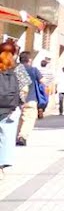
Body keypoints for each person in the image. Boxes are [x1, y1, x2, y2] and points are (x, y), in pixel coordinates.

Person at [0, 42, 29, 172]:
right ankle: (2, 165)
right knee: (7, 136)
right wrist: (20, 103)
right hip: (11, 109)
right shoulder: (18, 68)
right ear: (15, 54)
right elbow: (25, 89)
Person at [16, 52, 46, 146]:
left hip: (17, 99)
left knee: (20, 118)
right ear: (29, 60)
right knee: (29, 119)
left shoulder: (16, 69)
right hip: (31, 98)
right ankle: (22, 136)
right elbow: (43, 81)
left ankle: (17, 136)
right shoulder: (33, 70)